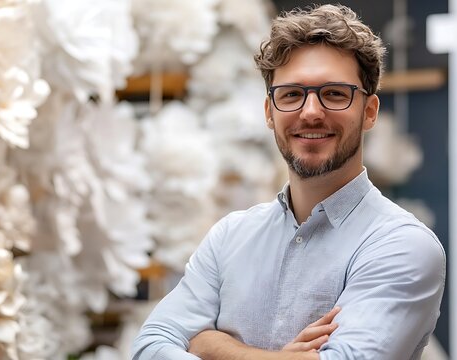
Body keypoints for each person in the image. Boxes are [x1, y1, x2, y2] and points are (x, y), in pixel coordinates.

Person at [131, 4, 445, 360]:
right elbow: (149, 346)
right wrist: (279, 358)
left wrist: (211, 344)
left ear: (369, 111)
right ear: (270, 112)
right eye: (292, 94)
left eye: (335, 93)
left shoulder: (402, 245)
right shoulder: (229, 236)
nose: (311, 111)